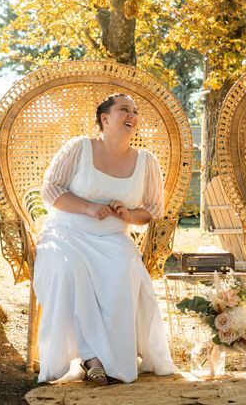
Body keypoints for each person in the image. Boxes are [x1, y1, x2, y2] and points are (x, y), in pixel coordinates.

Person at [33, 93, 176, 385]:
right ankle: (91, 357)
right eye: (124, 110)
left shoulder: (147, 162)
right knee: (70, 270)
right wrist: (88, 207)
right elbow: (51, 190)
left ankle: (113, 359)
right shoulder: (78, 148)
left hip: (113, 237)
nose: (132, 116)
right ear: (105, 118)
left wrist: (127, 214)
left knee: (125, 269)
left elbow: (149, 212)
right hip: (66, 233)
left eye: (136, 112)